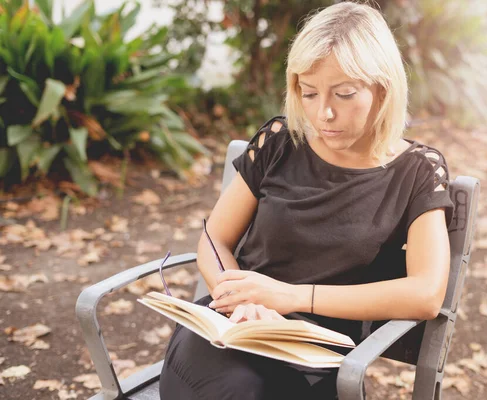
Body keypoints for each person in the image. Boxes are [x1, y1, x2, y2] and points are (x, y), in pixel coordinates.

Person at [159, 1, 454, 399]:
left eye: (344, 93)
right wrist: (238, 300)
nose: (324, 113)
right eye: (309, 92)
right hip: (229, 331)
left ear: (383, 88)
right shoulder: (280, 141)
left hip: (312, 354)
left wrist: (293, 296)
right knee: (236, 389)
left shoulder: (417, 171)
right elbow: (215, 238)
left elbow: (426, 294)